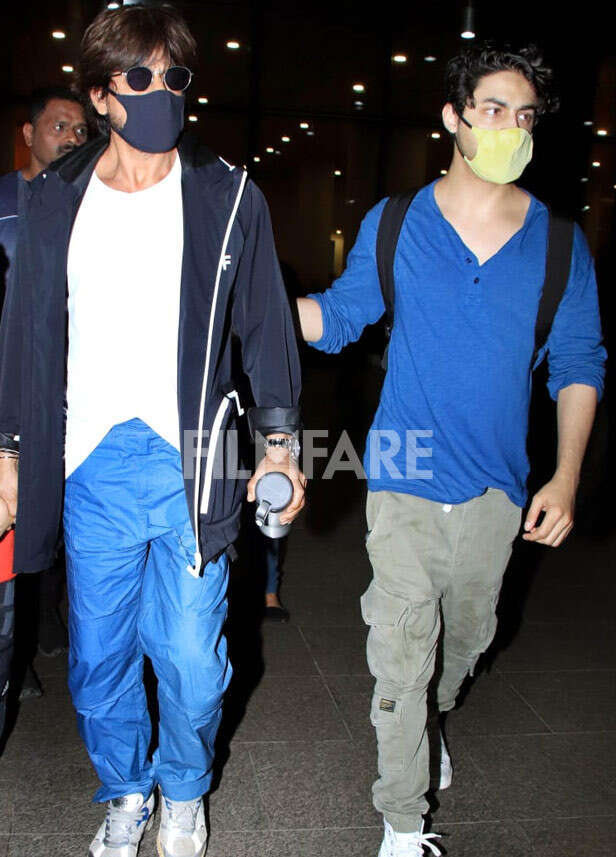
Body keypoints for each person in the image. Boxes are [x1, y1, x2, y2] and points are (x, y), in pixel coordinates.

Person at [0, 4, 305, 857]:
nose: (162, 92)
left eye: (176, 77)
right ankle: (127, 790)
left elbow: (267, 327)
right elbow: (22, 334)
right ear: (101, 93)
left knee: (195, 665)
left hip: (190, 463)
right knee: (97, 664)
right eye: (141, 77)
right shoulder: (55, 198)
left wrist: (279, 442)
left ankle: (182, 787)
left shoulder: (228, 193)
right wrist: (9, 452)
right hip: (89, 458)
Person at [297, 44, 606, 856]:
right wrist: (252, 304)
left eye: (526, 115)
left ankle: (431, 715)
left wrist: (566, 477)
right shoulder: (397, 221)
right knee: (400, 648)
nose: (511, 126)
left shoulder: (562, 245)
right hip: (403, 471)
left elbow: (578, 365)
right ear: (454, 118)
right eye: (494, 109)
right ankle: (403, 824)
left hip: (497, 490)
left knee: (463, 643)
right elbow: (339, 317)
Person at [0, 86, 88, 719]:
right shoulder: (4, 202)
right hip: (12, 392)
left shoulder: (86, 205)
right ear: (28, 134)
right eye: (60, 127)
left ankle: (48, 619)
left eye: (81, 131)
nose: (72, 139)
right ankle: (19, 642)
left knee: (64, 515)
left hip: (71, 394)